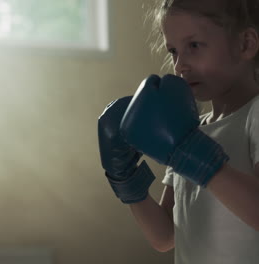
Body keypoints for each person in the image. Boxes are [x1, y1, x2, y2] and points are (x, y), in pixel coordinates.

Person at [98, 0, 259, 263]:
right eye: (173, 51)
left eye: (194, 46)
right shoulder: (189, 130)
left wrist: (195, 155)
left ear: (245, 44)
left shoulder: (254, 115)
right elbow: (165, 237)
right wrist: (125, 177)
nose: (180, 65)